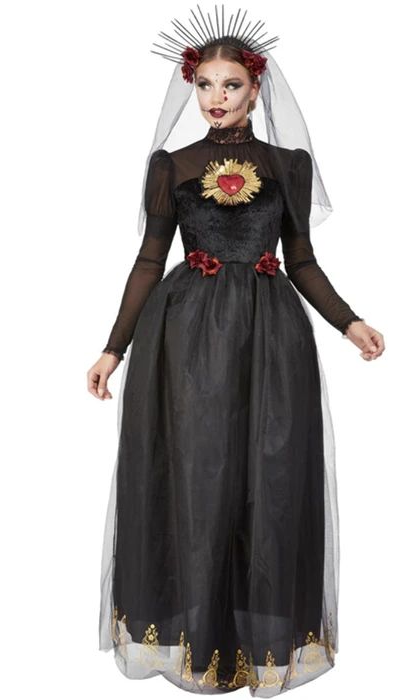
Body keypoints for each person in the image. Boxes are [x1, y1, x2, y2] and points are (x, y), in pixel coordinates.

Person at [88, 5, 385, 696]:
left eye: (230, 85)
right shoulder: (173, 166)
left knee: (269, 480)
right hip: (186, 341)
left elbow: (301, 260)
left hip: (271, 338)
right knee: (199, 478)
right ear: (191, 87)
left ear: (256, 87)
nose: (215, 98)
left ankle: (251, 648)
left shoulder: (288, 166)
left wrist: (349, 322)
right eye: (204, 85)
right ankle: (202, 645)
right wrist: (112, 349)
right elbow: (149, 260)